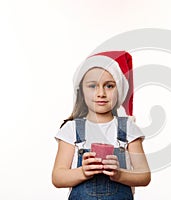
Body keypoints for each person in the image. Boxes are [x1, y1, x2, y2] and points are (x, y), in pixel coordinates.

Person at [52, 51, 151, 200]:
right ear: (81, 91)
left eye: (109, 86)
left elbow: (144, 176)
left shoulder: (128, 128)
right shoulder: (72, 129)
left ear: (120, 90)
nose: (101, 93)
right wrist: (83, 172)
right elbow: (57, 177)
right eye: (92, 86)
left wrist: (119, 174)